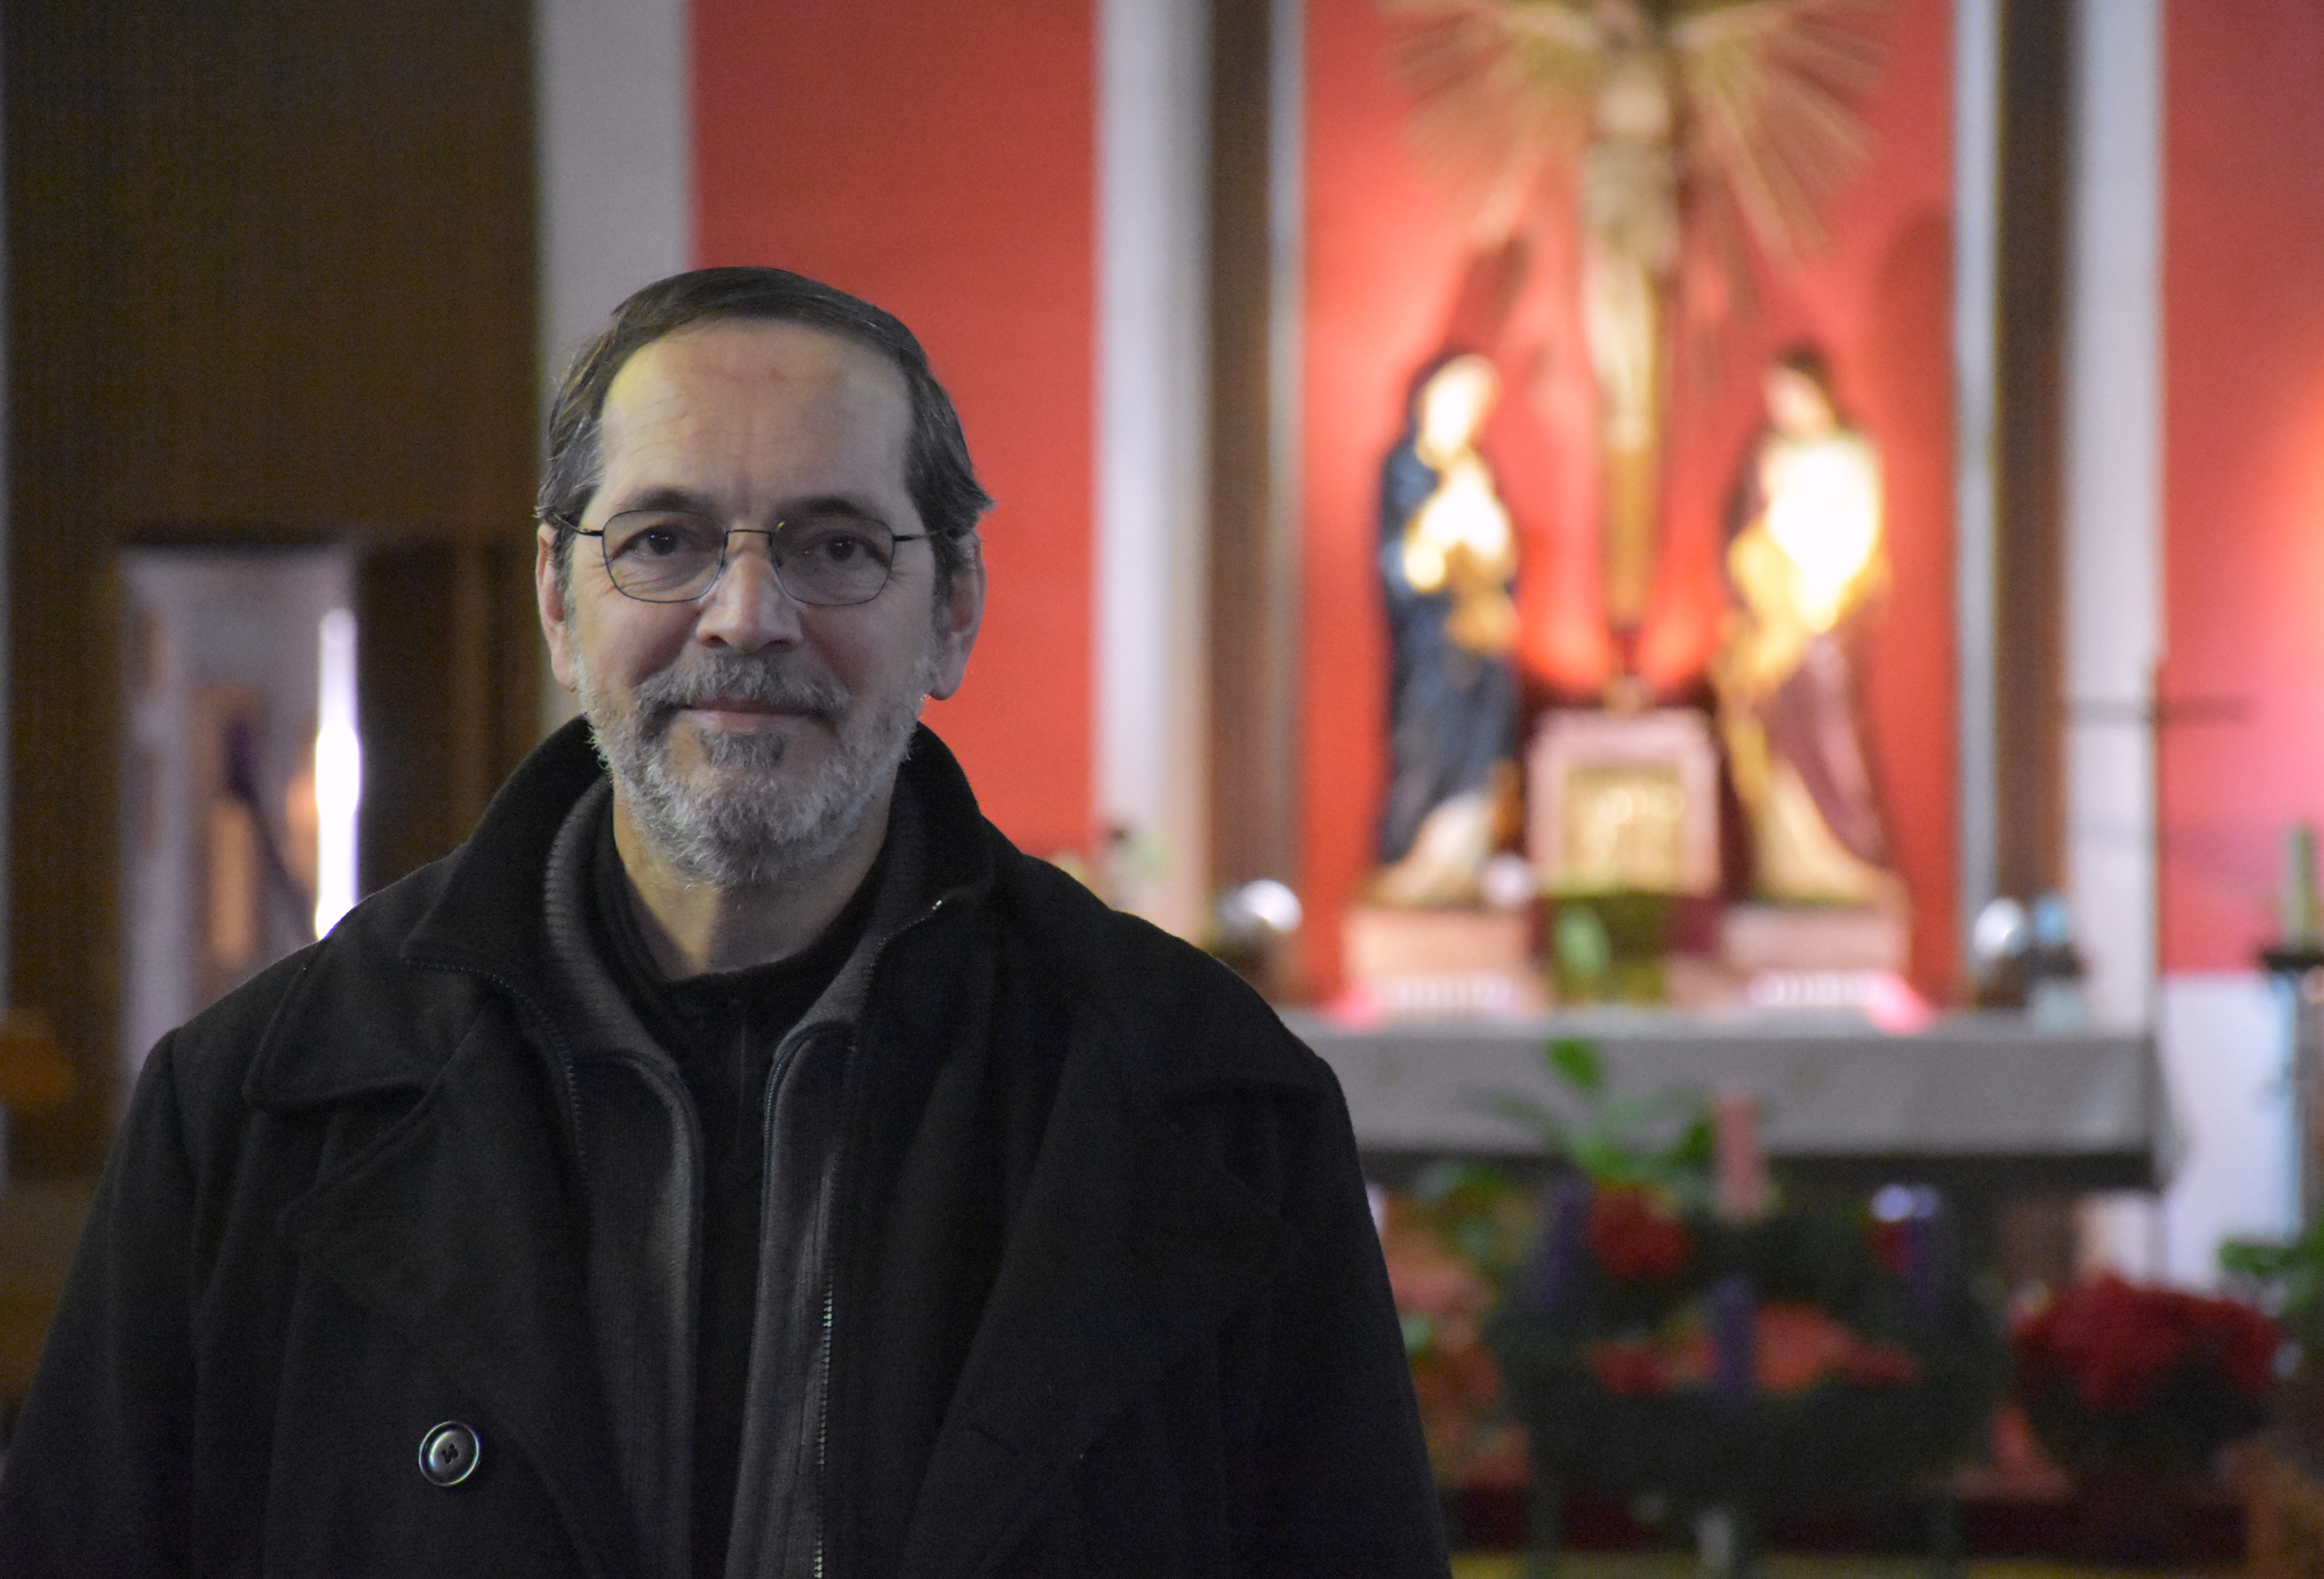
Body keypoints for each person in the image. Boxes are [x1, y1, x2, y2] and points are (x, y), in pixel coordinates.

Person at [0, 267, 1449, 1577]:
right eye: (666, 539)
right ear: (564, 605)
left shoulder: (1209, 1109)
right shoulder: (256, 1106)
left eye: (833, 547)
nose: (746, 615)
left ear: (951, 614)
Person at [1711, 346, 1899, 906]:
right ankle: (1792, 865)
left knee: (1832, 738)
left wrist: (1823, 583)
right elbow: (1744, 533)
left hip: (1823, 615)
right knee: (1777, 740)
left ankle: (1845, 858)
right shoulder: (1769, 453)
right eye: (1775, 396)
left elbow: (1863, 534)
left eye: (1790, 393)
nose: (1782, 406)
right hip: (1777, 619)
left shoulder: (1851, 451)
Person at [1372, 351, 1520, 907]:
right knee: (1428, 751)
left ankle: (1460, 872)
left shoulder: (1477, 469)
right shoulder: (1409, 469)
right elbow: (1402, 568)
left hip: (1480, 646)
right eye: (1462, 399)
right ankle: (1414, 870)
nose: (1471, 415)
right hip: (1432, 647)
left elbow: (1504, 564)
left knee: (1479, 760)